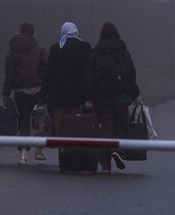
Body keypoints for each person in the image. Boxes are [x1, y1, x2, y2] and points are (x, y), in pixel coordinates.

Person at [85, 22, 142, 174]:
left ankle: (105, 165)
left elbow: (90, 77)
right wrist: (135, 94)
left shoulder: (96, 53)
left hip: (102, 98)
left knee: (106, 127)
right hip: (121, 96)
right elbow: (130, 73)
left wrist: (89, 98)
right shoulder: (123, 51)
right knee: (120, 127)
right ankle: (116, 149)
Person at [3, 22, 48, 164]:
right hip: (37, 89)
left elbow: (9, 73)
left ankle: (23, 154)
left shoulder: (12, 51)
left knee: (23, 120)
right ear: (32, 33)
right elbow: (47, 70)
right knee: (39, 120)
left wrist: (6, 92)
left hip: (20, 90)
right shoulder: (40, 50)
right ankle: (39, 151)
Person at [39, 22, 92, 137]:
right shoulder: (85, 47)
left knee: (61, 133)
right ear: (75, 31)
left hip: (58, 99)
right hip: (79, 98)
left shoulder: (55, 49)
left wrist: (43, 95)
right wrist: (90, 96)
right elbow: (89, 74)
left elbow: (49, 74)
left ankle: (62, 153)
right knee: (77, 130)